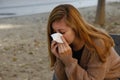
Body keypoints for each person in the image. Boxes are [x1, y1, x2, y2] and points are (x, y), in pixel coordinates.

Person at [47, 4, 120, 80]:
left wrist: (69, 62)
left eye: (62, 32)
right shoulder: (68, 44)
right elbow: (62, 78)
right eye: (55, 33)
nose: (58, 38)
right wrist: (61, 58)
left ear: (76, 28)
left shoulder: (98, 44)